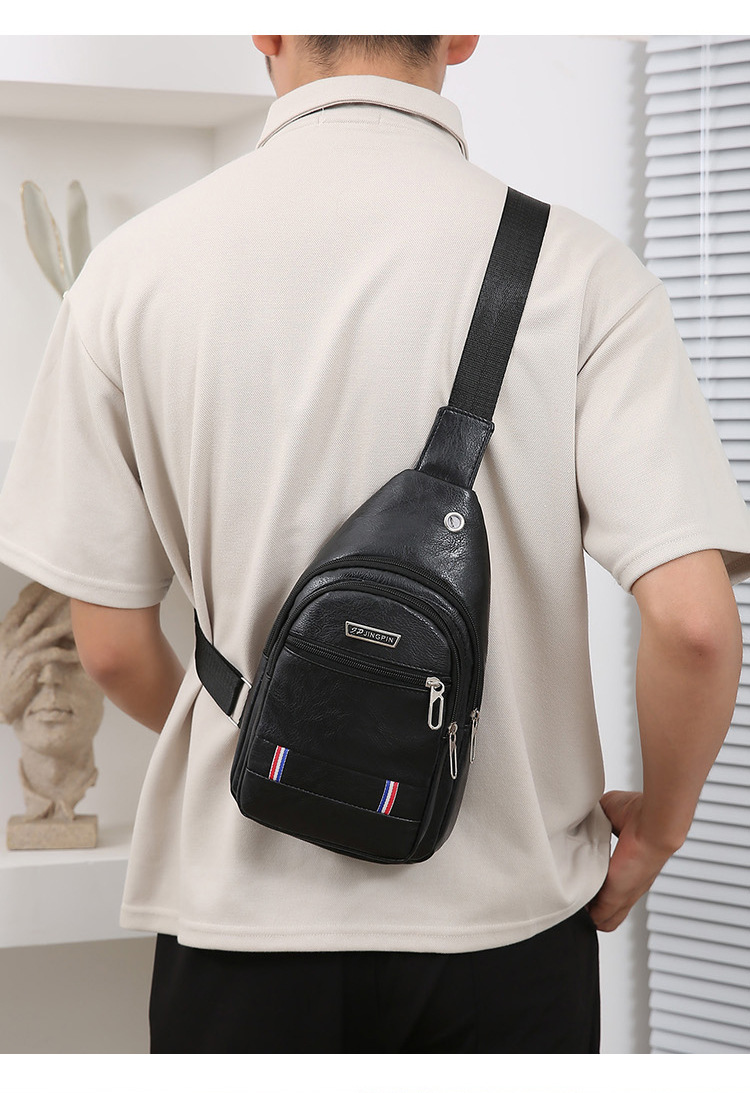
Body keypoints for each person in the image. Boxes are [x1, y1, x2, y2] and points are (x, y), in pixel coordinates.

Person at [0, 33, 748, 1054]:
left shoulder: (128, 274)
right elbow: (695, 625)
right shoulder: (580, 270)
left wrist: (268, 732)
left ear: (267, 29)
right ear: (462, 33)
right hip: (510, 931)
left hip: (237, 921)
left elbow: (115, 648)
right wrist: (656, 831)